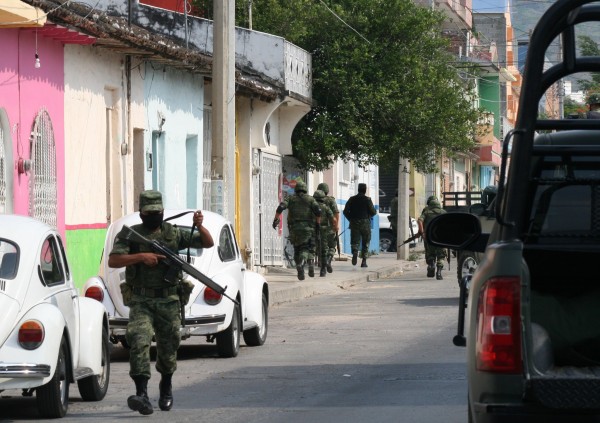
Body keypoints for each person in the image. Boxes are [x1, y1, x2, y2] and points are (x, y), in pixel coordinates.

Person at [108, 190, 214, 415]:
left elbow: (207, 243)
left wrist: (200, 225)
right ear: (141, 213)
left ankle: (166, 386)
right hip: (141, 300)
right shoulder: (131, 235)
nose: (154, 216)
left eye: (158, 212)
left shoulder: (173, 234)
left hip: (168, 299)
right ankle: (142, 394)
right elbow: (114, 260)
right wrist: (141, 257)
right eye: (149, 212)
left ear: (162, 212)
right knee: (138, 340)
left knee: (169, 346)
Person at [272, 180, 322, 280]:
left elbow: (281, 207)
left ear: (296, 189)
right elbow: (318, 211)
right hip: (307, 229)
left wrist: (276, 219)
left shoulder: (290, 199)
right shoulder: (310, 199)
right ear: (305, 189)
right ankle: (302, 263)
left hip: (294, 228)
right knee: (305, 248)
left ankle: (300, 269)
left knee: (297, 249)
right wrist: (318, 224)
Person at [343, 183, 377, 268]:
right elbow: (373, 212)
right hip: (365, 223)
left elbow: (345, 211)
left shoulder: (351, 199)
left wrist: (351, 219)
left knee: (355, 241)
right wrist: (368, 216)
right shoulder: (368, 200)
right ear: (365, 190)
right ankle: (364, 261)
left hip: (354, 222)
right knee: (366, 242)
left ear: (358, 189)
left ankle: (355, 251)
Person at [418, 196, 447, 280]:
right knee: (441, 256)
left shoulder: (426, 212)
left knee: (430, 254)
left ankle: (431, 265)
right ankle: (439, 273)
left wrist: (422, 232)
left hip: (429, 237)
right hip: (441, 238)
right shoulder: (443, 212)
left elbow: (420, 220)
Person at [317, 182, 340, 273]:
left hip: (317, 228)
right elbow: (336, 213)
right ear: (327, 191)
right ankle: (328, 260)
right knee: (331, 246)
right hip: (329, 228)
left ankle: (323, 262)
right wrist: (336, 226)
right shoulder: (331, 200)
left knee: (321, 246)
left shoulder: (314, 200)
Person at [313, 189, 335, 277]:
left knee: (313, 247)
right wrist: (333, 227)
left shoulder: (311, 207)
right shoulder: (326, 207)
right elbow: (333, 219)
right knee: (324, 249)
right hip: (324, 230)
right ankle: (323, 270)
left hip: (313, 228)